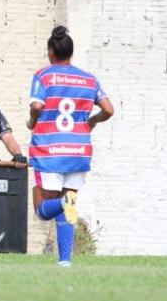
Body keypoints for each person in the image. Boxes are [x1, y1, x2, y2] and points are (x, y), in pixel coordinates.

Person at [28, 25, 114, 267]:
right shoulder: (89, 79)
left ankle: (64, 207)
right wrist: (92, 121)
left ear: (50, 52)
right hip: (78, 150)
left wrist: (32, 121)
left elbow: (36, 107)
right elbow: (108, 110)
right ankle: (65, 260)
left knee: (42, 209)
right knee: (71, 201)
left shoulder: (43, 76)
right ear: (71, 53)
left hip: (49, 149)